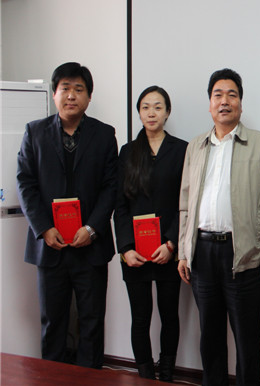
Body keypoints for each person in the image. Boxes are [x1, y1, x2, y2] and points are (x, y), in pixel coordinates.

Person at [177, 68, 260, 386]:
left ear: (241, 103)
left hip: (243, 255)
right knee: (209, 338)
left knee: (247, 341)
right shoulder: (195, 146)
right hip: (202, 253)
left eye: (231, 95)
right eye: (218, 95)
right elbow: (185, 204)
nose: (224, 101)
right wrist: (184, 251)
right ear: (209, 103)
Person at [16, 62, 118, 368]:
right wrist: (44, 228)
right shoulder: (34, 132)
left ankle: (90, 379)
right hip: (51, 246)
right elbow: (25, 183)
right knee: (53, 322)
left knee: (91, 323)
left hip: (90, 246)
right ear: (54, 93)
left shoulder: (104, 134)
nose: (71, 95)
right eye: (65, 88)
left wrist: (92, 228)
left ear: (89, 96)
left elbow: (111, 187)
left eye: (79, 89)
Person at [113, 86, 187, 381]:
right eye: (145, 107)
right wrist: (125, 248)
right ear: (139, 113)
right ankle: (145, 374)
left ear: (167, 112)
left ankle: (166, 374)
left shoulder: (182, 150)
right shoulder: (128, 152)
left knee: (169, 315)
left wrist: (171, 243)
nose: (151, 113)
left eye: (158, 106)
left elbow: (186, 202)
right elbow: (120, 205)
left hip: (168, 249)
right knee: (140, 317)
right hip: (135, 252)